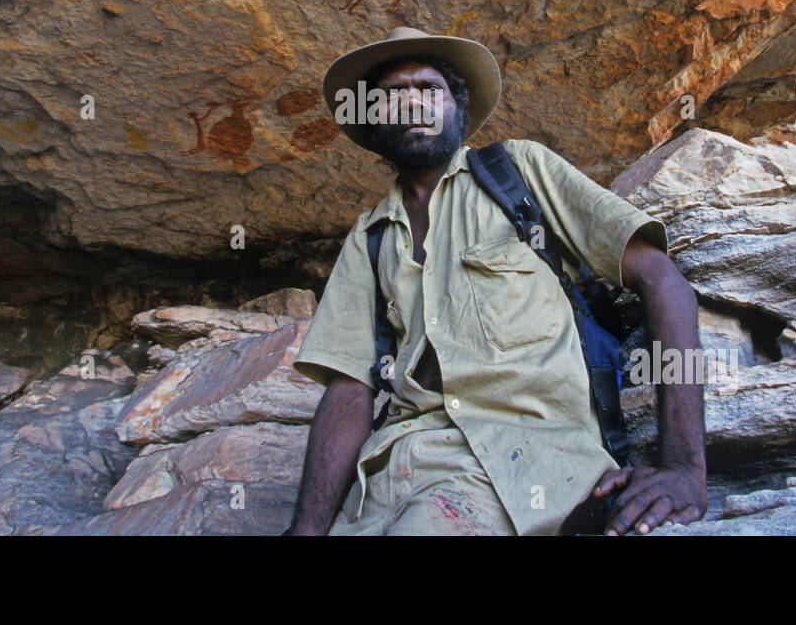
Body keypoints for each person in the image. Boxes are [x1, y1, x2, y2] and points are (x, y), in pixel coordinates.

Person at [287, 26, 706, 535]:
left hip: (518, 466)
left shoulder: (519, 173)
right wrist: (305, 530)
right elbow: (349, 390)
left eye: (428, 89)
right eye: (393, 95)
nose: (412, 103)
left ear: (457, 111)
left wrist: (684, 468)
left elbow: (664, 282)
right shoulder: (369, 236)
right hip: (384, 480)